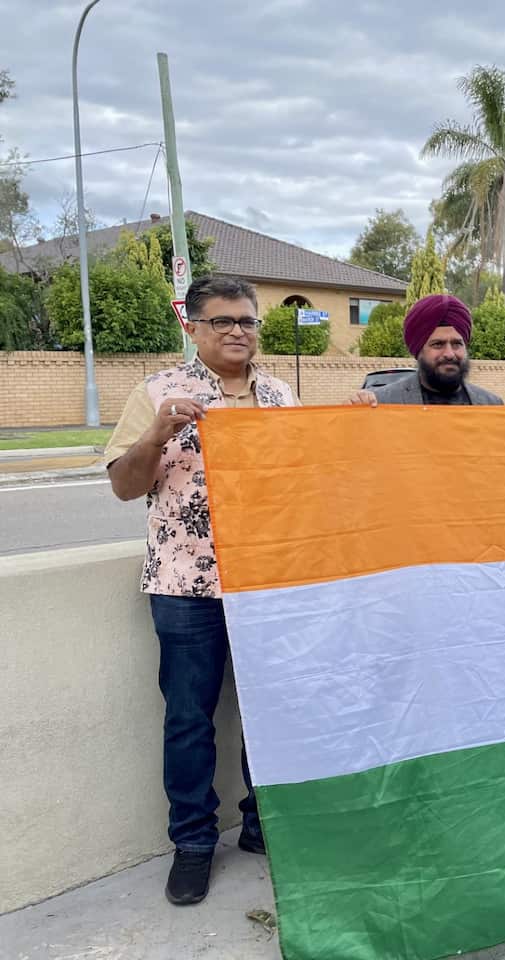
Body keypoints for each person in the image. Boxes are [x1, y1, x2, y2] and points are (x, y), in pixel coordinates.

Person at [103, 275, 298, 905]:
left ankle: (263, 824)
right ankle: (191, 842)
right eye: (222, 321)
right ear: (192, 326)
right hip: (186, 586)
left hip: (267, 581)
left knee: (269, 710)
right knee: (189, 717)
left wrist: (349, 426)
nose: (238, 331)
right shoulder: (158, 393)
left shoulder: (280, 396)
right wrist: (158, 435)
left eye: (247, 320)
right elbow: (125, 487)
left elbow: (310, 479)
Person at [349, 295, 503, 407]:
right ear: (418, 350)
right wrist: (353, 417)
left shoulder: (492, 405)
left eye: (457, 344)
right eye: (438, 344)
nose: (449, 354)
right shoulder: (383, 403)